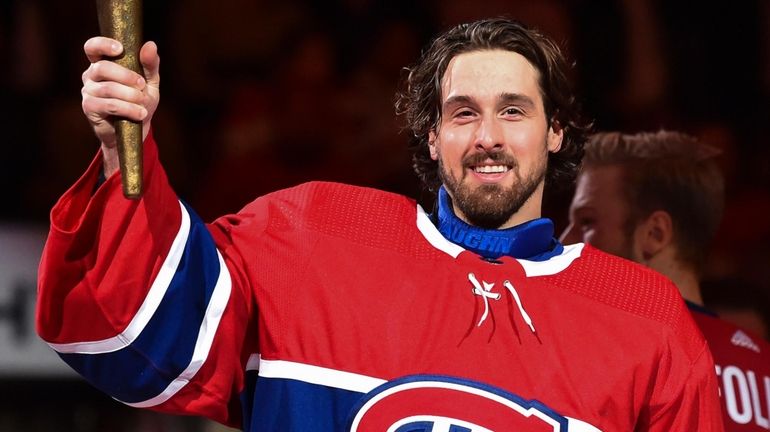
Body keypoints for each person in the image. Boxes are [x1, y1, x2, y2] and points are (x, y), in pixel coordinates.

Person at [35, 18, 723, 431]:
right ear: (429, 139)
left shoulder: (649, 320)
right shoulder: (311, 237)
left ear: (555, 134)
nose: (487, 135)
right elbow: (137, 331)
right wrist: (125, 148)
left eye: (514, 111)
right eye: (462, 113)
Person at [561, 130, 770, 431]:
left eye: (587, 222)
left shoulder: (605, 364)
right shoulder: (762, 366)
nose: (566, 241)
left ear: (655, 233)